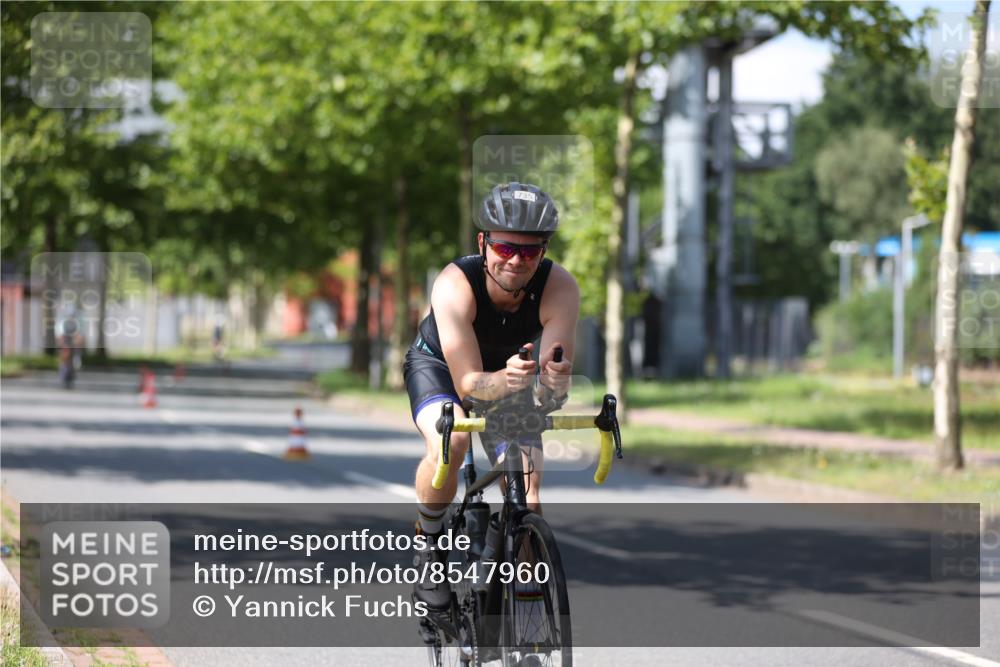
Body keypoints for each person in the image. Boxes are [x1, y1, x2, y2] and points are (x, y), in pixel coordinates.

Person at [404, 182, 580, 610]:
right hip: (443, 369)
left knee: (528, 490)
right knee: (452, 442)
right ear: (483, 243)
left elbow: (549, 380)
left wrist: (552, 384)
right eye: (505, 248)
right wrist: (510, 382)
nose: (517, 261)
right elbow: (469, 385)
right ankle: (429, 543)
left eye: (530, 251)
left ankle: (528, 621)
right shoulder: (454, 284)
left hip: (509, 378)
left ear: (543, 251)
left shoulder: (560, 287)